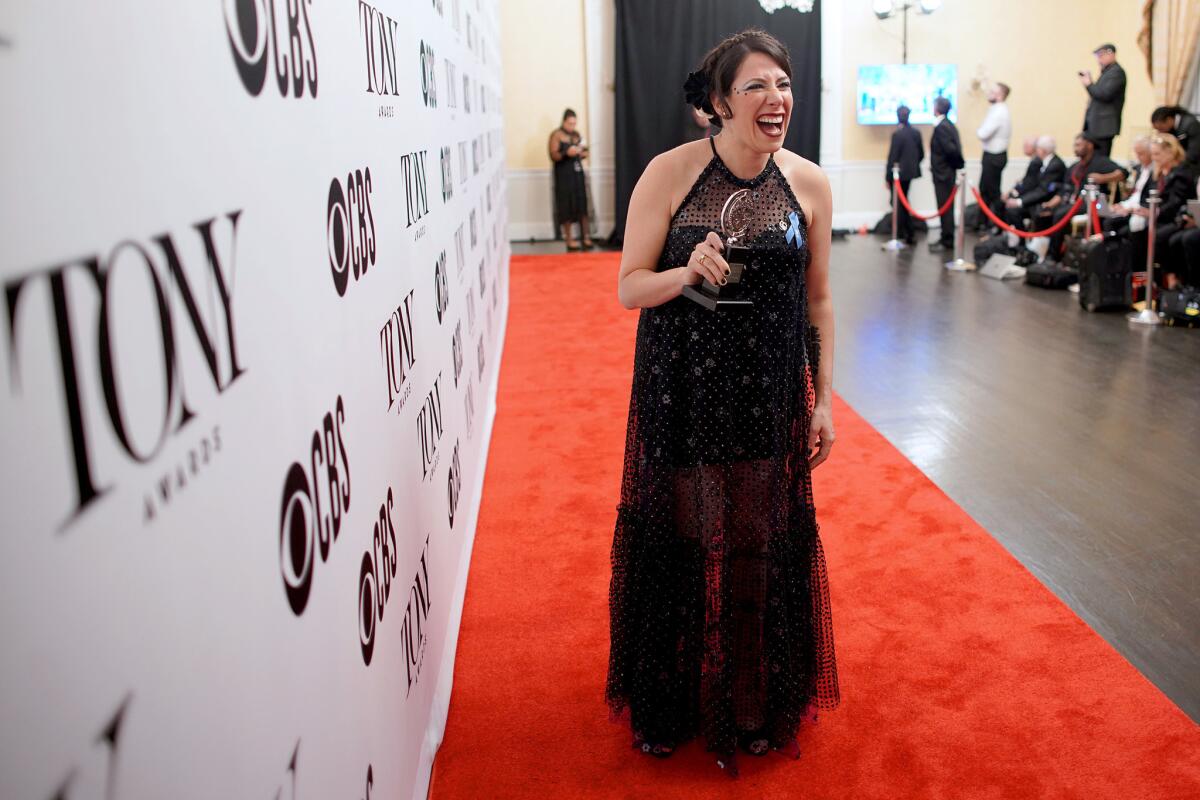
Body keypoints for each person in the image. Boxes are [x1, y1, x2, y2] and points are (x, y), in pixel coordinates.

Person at [610, 28, 840, 778]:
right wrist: (683, 272)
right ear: (718, 102)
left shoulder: (807, 183)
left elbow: (821, 303)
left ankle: (750, 695)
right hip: (685, 385)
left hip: (768, 392)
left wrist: (822, 400)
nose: (777, 100)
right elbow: (628, 287)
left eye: (784, 84)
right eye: (757, 86)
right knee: (682, 539)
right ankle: (670, 696)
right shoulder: (671, 173)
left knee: (755, 543)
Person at [1105, 133, 1196, 289]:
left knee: (1157, 236)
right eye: (1153, 154)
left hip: (1175, 218)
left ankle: (1169, 278)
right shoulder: (1159, 172)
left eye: (1157, 154)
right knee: (1133, 233)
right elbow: (1147, 197)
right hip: (1159, 216)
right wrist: (1139, 209)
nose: (1154, 158)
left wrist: (1154, 212)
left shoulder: (1180, 173)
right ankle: (1138, 278)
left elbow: (1176, 202)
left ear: (1170, 152)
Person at [1038, 133, 1127, 262]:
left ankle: (1053, 256)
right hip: (1072, 201)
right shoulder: (1075, 167)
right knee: (1045, 212)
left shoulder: (1101, 162)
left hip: (1092, 202)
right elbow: (1065, 189)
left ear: (1089, 145)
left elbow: (1123, 173)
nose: (1075, 148)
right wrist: (1050, 204)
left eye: (1079, 145)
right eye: (1075, 145)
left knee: (1060, 214)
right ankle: (1040, 252)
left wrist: (1103, 178)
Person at [548, 109, 594, 250]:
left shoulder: (576, 135)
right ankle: (569, 239)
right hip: (563, 175)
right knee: (566, 205)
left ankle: (585, 236)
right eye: (570, 123)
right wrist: (566, 152)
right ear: (564, 121)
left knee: (581, 203)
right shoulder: (556, 135)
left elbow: (585, 151)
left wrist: (581, 153)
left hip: (577, 174)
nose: (572, 126)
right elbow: (553, 155)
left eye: (574, 123)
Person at [1004, 135, 1066, 230]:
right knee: (1011, 207)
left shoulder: (1055, 165)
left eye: (1037, 148)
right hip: (1039, 199)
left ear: (1042, 150)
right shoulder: (1047, 162)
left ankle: (1022, 240)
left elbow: (1043, 191)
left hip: (1046, 202)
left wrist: (1019, 201)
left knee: (1014, 210)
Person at [929, 96, 964, 253]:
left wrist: (948, 167)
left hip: (944, 174)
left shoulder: (942, 127)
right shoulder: (948, 125)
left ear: (936, 109)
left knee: (945, 207)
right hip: (947, 172)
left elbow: (951, 150)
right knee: (945, 207)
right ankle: (946, 238)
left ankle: (947, 240)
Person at [885, 104, 924, 244]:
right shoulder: (916, 133)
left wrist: (888, 177)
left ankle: (907, 232)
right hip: (910, 173)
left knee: (900, 202)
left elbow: (892, 157)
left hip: (899, 174)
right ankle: (906, 232)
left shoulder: (897, 134)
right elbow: (921, 154)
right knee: (903, 201)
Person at [1079, 43, 1126, 156]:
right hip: (1096, 126)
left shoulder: (1116, 72)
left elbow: (1105, 95)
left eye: (1101, 55)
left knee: (1100, 159)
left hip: (1104, 127)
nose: (1099, 60)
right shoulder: (1107, 72)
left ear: (1111, 54)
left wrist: (1089, 84)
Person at [976, 82, 1012, 213]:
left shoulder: (999, 112)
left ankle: (999, 223)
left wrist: (979, 131)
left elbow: (983, 133)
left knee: (992, 192)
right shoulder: (996, 110)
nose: (988, 94)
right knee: (985, 190)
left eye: (992, 92)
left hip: (994, 156)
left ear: (1000, 95)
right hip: (992, 155)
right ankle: (983, 223)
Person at [1151, 105, 1200, 178]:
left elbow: (1194, 153)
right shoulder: (1170, 129)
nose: (1160, 132)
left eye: (1160, 128)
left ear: (1169, 120)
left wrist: (1177, 166)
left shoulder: (1190, 124)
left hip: (1190, 169)